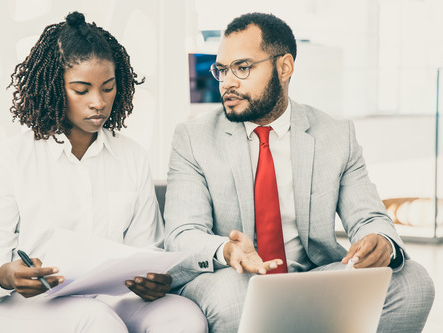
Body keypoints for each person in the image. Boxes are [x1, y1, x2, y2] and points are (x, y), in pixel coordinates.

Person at [164, 12, 435, 333]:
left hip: (312, 274)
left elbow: (367, 217)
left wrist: (380, 242)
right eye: (221, 69)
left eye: (242, 67)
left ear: (285, 66)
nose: (227, 82)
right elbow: (183, 233)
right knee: (239, 298)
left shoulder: (335, 134)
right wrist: (226, 250)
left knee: (415, 282)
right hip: (231, 276)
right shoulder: (193, 138)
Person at [0, 11, 207, 333]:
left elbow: (146, 247)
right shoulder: (9, 157)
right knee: (95, 320)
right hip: (24, 307)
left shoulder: (131, 155)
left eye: (108, 88)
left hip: (109, 298)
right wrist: (10, 274)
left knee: (183, 316)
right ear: (53, 87)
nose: (98, 102)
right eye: (81, 90)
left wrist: (153, 280)